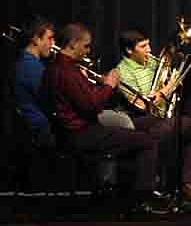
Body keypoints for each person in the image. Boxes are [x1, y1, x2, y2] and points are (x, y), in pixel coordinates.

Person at [40, 22, 171, 209]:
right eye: (85, 46)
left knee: (135, 133)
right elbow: (92, 106)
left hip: (71, 131)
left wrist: (96, 84)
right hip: (80, 134)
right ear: (72, 44)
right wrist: (109, 84)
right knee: (147, 142)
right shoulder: (67, 71)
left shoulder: (56, 68)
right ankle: (141, 199)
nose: (88, 50)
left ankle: (123, 195)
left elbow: (80, 97)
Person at [113, 28, 191, 200]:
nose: (149, 50)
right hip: (137, 122)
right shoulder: (122, 71)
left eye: (149, 45)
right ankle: (151, 187)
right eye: (143, 46)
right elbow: (140, 105)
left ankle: (188, 184)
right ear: (129, 50)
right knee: (166, 130)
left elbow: (168, 75)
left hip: (160, 118)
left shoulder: (153, 62)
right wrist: (168, 89)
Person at [13, 15, 57, 147]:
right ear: (36, 39)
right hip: (41, 129)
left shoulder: (28, 62)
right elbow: (51, 99)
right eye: (50, 38)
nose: (53, 44)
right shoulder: (31, 65)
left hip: (38, 126)